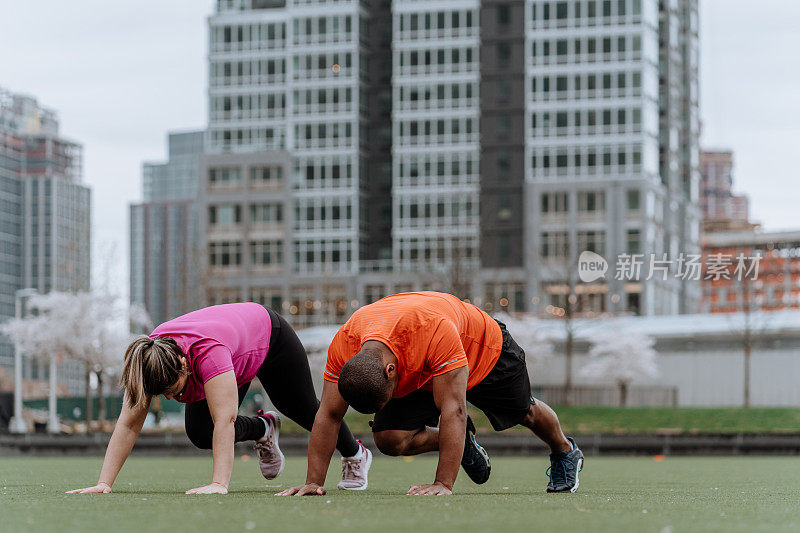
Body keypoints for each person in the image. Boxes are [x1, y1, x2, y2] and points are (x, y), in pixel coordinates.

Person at [278, 292, 582, 497]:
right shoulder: (344, 344)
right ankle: (459, 441)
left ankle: (565, 450)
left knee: (524, 412)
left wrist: (442, 484)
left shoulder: (431, 330)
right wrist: (313, 483)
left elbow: (455, 410)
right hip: (416, 364)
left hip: (483, 351)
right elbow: (328, 414)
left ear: (390, 373)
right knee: (390, 438)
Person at [67, 303, 371, 495]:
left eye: (174, 389)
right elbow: (129, 424)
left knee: (301, 408)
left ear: (185, 365)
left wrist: (218, 484)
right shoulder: (150, 361)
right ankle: (263, 429)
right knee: (199, 433)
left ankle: (355, 454)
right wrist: (104, 482)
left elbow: (224, 420)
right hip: (233, 347)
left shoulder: (208, 355)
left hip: (270, 336)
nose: (173, 397)